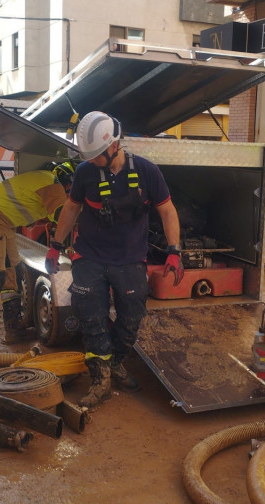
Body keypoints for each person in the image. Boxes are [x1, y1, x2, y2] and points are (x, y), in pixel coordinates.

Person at [45, 111, 183, 409]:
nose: (91, 160)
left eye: (96, 155)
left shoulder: (147, 172)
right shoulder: (84, 172)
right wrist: (56, 245)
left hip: (130, 258)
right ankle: (100, 380)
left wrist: (174, 250)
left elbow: (168, 211)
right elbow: (70, 209)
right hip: (90, 256)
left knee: (131, 319)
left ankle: (115, 363)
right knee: (90, 317)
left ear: (113, 147)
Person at [0, 168, 69, 355]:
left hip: (3, 223)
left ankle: (13, 330)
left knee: (14, 271)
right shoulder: (54, 187)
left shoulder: (46, 180)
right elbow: (62, 216)